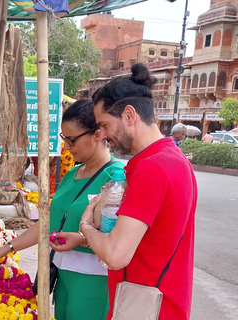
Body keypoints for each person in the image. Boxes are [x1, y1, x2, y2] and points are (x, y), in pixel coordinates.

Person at [51, 63, 197, 320]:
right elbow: (147, 238)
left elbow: (116, 255)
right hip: (158, 302)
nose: (104, 136)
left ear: (129, 115)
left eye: (105, 125)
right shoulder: (172, 159)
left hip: (145, 305)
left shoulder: (152, 168)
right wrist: (86, 238)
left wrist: (86, 225)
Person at [0, 100, 124, 320]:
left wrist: (82, 239)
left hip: (94, 278)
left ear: (98, 134)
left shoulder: (117, 179)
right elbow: (49, 222)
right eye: (65, 139)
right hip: (61, 274)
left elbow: (120, 237)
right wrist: (9, 246)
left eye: (72, 140)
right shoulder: (72, 174)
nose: (67, 147)